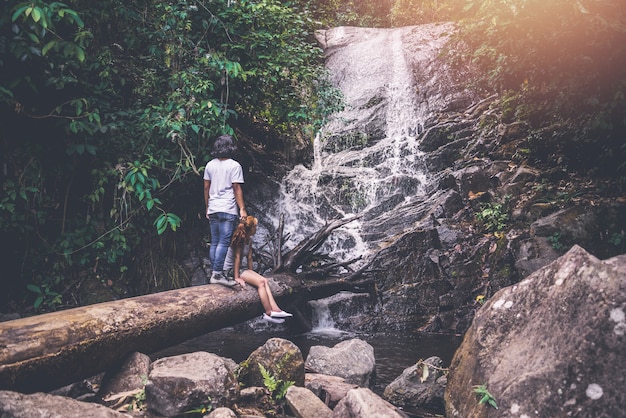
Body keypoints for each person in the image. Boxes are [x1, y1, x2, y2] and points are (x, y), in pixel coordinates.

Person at [224, 216, 293, 324]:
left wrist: (252, 274)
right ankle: (268, 312)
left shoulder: (249, 240)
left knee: (264, 280)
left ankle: (276, 310)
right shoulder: (240, 239)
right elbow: (237, 258)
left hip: (242, 269)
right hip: (230, 270)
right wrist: (236, 277)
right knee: (261, 282)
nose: (256, 228)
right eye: (255, 226)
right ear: (250, 228)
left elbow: (249, 258)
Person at [204, 134, 247, 287]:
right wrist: (242, 208)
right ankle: (217, 274)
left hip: (214, 207)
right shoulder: (234, 166)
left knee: (215, 242)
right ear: (230, 147)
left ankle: (214, 273)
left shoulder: (210, 165)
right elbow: (236, 188)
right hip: (228, 208)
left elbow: (206, 187)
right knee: (223, 241)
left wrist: (207, 207)